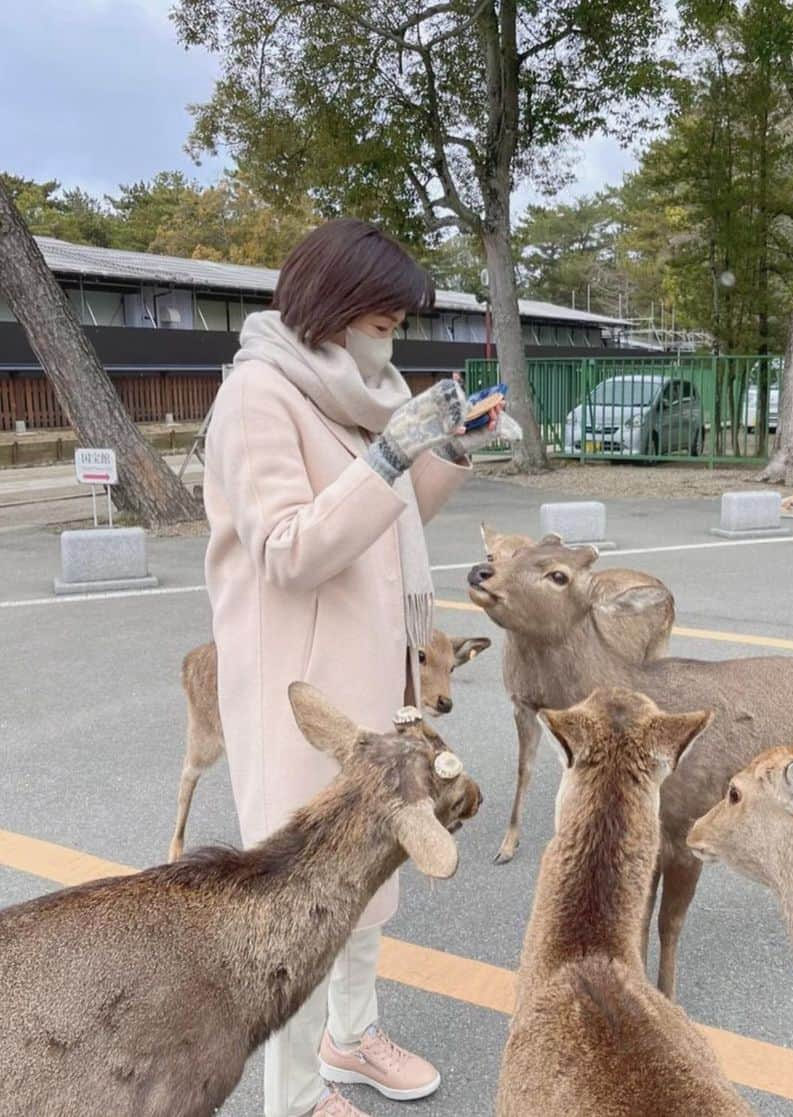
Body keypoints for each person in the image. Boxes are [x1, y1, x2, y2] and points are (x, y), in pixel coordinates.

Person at [202, 218, 520, 1117]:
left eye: (395, 324)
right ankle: (295, 1096)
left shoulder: (350, 393)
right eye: (382, 321)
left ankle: (352, 1035)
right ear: (332, 306)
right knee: (302, 896)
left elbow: (392, 516)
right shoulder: (259, 395)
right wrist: (389, 452)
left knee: (370, 868)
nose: (391, 339)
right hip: (299, 691)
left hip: (367, 679)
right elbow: (291, 549)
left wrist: (446, 447)